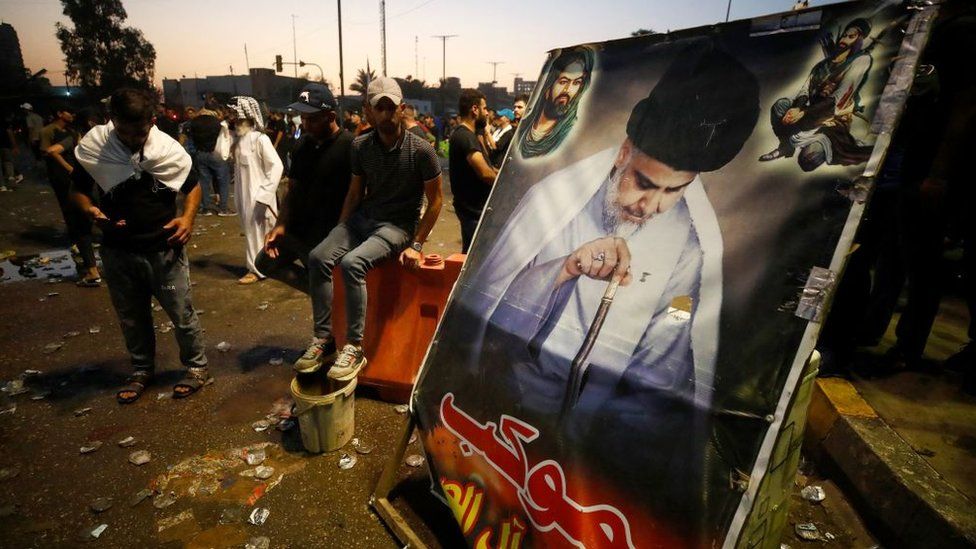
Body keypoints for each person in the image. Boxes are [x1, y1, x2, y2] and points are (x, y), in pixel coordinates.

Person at [294, 77, 443, 380]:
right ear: (368, 111)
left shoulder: (422, 150)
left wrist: (416, 244)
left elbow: (436, 201)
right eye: (379, 108)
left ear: (402, 109)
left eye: (391, 108)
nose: (386, 114)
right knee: (318, 256)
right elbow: (354, 192)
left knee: (353, 263)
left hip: (398, 225)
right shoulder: (361, 146)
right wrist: (340, 230)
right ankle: (324, 340)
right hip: (364, 219)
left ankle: (354, 347)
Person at [71, 87, 211, 403]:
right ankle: (141, 370)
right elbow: (77, 191)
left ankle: (197, 367)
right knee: (132, 317)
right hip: (118, 250)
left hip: (164, 249)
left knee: (182, 314)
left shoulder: (168, 150)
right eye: (125, 131)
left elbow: (192, 187)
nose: (133, 138)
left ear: (151, 121)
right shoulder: (96, 147)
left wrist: (187, 219)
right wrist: (92, 211)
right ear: (113, 121)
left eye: (140, 131)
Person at [758, 18, 880, 171]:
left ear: (859, 40)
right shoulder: (822, 66)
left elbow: (837, 99)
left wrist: (803, 112)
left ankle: (812, 143)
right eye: (844, 35)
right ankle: (786, 146)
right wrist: (796, 109)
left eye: (851, 36)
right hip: (810, 115)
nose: (844, 39)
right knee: (781, 105)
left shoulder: (861, 60)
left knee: (807, 160)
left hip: (831, 120)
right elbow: (804, 90)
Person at [261, 84, 353, 282]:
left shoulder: (350, 146)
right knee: (264, 262)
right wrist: (281, 225)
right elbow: (292, 189)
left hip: (329, 235)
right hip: (298, 231)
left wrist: (342, 234)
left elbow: (356, 196)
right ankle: (321, 292)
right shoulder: (302, 144)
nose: (305, 124)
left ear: (330, 116)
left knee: (323, 274)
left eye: (312, 119)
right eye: (302, 117)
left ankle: (327, 293)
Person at [40, 105, 101, 286]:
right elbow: (49, 151)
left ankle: (92, 271)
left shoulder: (77, 138)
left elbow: (51, 151)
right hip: (98, 186)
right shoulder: (108, 138)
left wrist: (72, 171)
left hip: (84, 186)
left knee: (81, 227)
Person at [228, 96, 283, 285]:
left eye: (236, 115)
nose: (233, 118)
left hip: (258, 195)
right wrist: (224, 131)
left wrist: (265, 194)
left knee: (258, 233)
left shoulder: (260, 139)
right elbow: (219, 154)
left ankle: (256, 270)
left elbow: (276, 166)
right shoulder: (237, 139)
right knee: (254, 232)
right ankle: (267, 266)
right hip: (243, 195)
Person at [519, 46, 594, 158]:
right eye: (563, 82)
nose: (567, 90)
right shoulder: (524, 127)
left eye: (576, 83)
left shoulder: (572, 134)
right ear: (548, 87)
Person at [449, 89, 497, 253]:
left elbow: (489, 167)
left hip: (474, 211)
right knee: (476, 259)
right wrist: (506, 183)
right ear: (474, 109)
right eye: (484, 108)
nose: (487, 113)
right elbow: (484, 173)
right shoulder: (465, 137)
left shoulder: (469, 135)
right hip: (473, 212)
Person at [190, 107, 233, 215]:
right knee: (223, 181)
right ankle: (223, 208)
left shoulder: (194, 122)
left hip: (200, 153)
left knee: (204, 182)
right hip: (216, 154)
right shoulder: (217, 123)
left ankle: (206, 208)